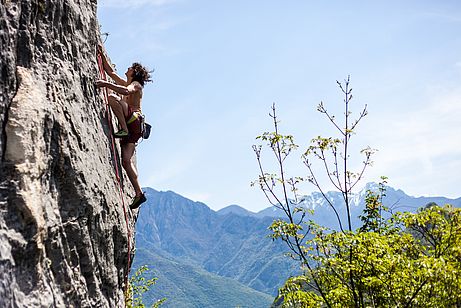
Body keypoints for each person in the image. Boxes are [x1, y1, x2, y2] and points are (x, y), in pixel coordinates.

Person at [96, 45, 151, 209]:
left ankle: (123, 129)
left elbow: (125, 90)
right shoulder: (129, 81)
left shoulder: (135, 85)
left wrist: (105, 85)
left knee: (112, 98)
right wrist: (102, 55)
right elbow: (110, 73)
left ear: (134, 72)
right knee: (126, 162)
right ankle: (139, 193)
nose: (127, 68)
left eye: (130, 68)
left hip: (131, 122)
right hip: (136, 129)